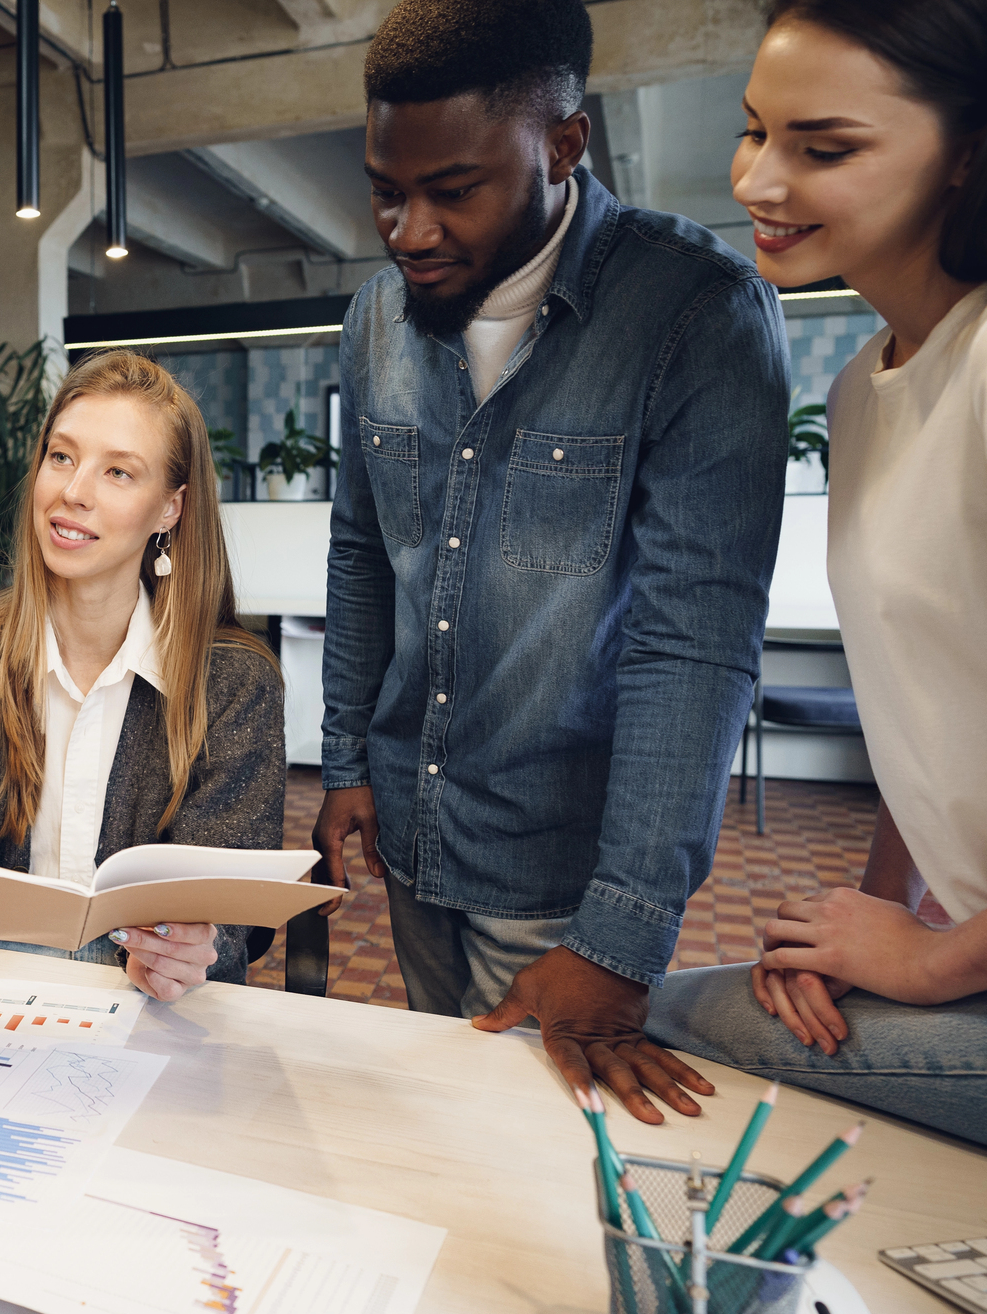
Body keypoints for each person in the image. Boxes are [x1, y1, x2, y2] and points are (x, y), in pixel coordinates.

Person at [314, 0, 791, 1124]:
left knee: (535, 1173)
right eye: (386, 188)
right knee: (439, 1128)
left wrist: (619, 935)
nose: (408, 230)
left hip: (560, 872)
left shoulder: (696, 315)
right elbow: (360, 553)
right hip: (411, 831)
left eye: (453, 189)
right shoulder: (373, 321)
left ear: (562, 145)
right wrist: (343, 760)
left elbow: (693, 643)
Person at [646, 0, 987, 1152]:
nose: (756, 179)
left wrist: (940, 955)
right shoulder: (861, 386)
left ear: (965, 154)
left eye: (823, 148)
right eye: (754, 130)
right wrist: (867, 923)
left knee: (640, 1021)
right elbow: (926, 708)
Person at [0, 350, 285, 1005]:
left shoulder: (234, 683)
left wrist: (195, 945)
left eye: (118, 471)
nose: (73, 491)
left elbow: (224, 922)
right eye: (61, 456)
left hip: (157, 1016)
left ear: (170, 508)